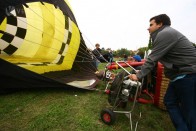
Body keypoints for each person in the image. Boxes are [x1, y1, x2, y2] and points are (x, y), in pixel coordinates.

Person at [128, 14, 196, 131]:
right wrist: (142, 70)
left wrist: (138, 75)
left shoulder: (165, 33)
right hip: (179, 76)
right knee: (169, 101)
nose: (148, 28)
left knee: (189, 111)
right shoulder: (165, 34)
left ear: (160, 24)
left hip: (188, 75)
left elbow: (152, 58)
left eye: (151, 25)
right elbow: (154, 59)